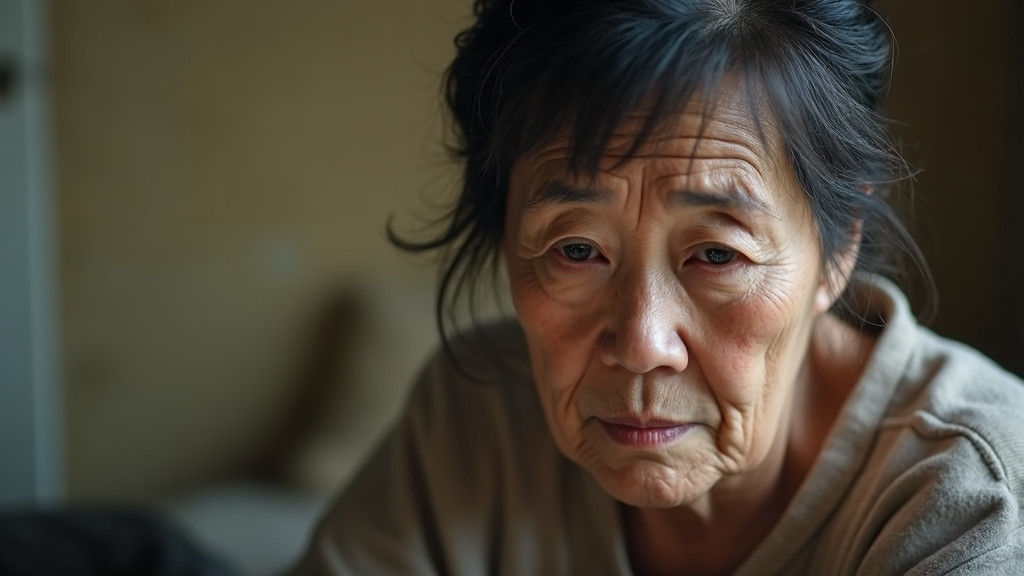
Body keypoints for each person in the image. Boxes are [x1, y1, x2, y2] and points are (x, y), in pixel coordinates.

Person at [291, 1, 1024, 573]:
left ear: (840, 250)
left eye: (716, 255)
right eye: (577, 249)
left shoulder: (970, 500)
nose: (642, 345)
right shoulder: (476, 423)